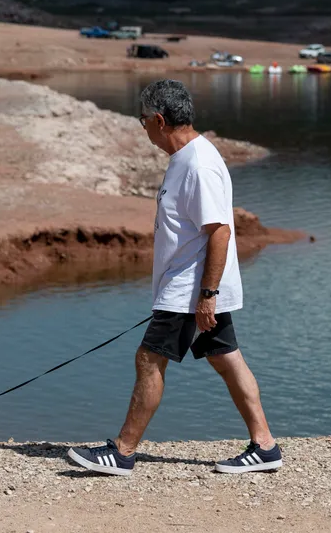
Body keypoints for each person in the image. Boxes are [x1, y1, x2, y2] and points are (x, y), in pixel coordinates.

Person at [67, 79, 281, 476]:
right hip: (192, 286)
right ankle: (265, 446)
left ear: (161, 120)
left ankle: (124, 452)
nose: (142, 127)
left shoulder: (198, 164)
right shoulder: (185, 158)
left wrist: (207, 295)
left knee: (149, 359)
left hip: (189, 289)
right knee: (226, 358)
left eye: (143, 120)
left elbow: (220, 231)